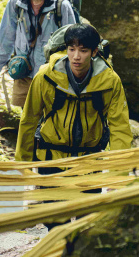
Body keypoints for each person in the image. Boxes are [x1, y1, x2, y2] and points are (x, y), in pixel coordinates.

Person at [15, 22, 132, 164]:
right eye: (71, 49)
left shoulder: (110, 81)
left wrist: (119, 173)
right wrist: (22, 166)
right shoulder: (46, 76)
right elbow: (29, 120)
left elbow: (120, 127)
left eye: (83, 51)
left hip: (90, 161)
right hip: (50, 159)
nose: (76, 56)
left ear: (94, 52)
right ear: (66, 49)